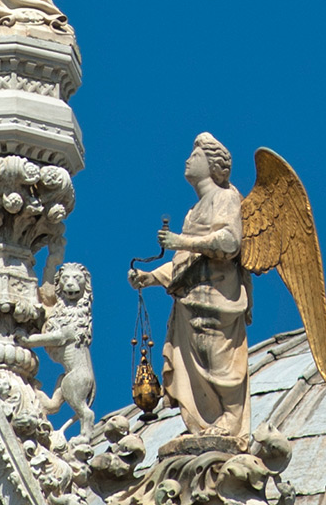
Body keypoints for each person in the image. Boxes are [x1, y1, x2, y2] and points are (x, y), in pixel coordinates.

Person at [129, 134, 252, 436]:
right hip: (191, 301)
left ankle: (230, 421)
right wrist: (150, 277)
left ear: (213, 165)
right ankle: (203, 422)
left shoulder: (227, 197)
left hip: (218, 298)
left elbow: (230, 242)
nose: (188, 159)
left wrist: (182, 241)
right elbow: (186, 262)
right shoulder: (193, 212)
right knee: (194, 364)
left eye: (195, 154)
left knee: (218, 362)